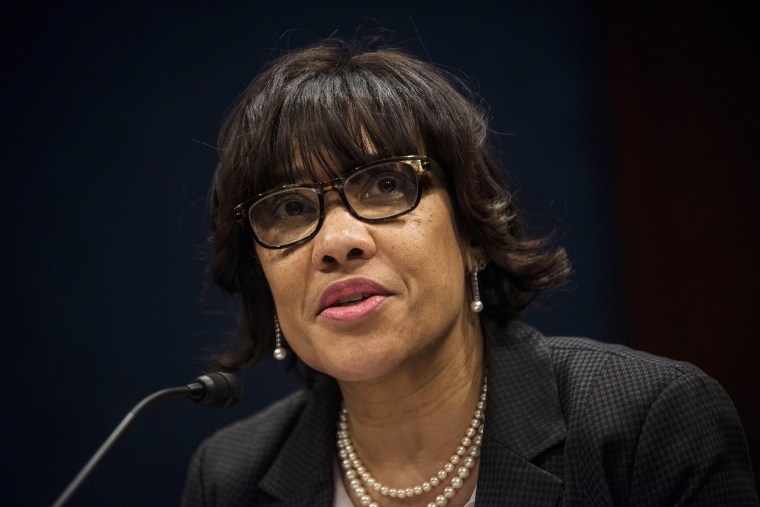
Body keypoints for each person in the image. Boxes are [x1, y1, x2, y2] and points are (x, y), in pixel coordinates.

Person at [182, 39, 758, 507]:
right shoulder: (228, 479)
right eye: (289, 208)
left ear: (474, 234)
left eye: (386, 185)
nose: (337, 243)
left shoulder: (644, 423)